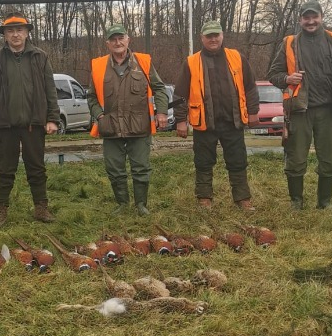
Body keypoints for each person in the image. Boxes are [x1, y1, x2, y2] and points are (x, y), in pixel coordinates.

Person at [268, 0, 332, 209]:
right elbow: (273, 75)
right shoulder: (289, 43)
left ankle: (324, 202)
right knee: (296, 160)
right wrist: (287, 79)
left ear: (321, 17)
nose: (310, 21)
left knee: (329, 160)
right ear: (300, 19)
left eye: (314, 17)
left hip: (328, 111)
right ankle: (296, 202)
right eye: (306, 17)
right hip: (299, 112)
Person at [0, 12, 61, 226]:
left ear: (27, 33)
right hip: (4, 125)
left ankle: (41, 208)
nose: (15, 34)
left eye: (19, 30)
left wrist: (52, 118)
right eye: (10, 31)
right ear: (5, 35)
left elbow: (50, 90)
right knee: (4, 170)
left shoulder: (40, 57)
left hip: (34, 124)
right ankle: (1, 211)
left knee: (37, 168)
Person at [172, 20, 259, 210]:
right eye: (208, 36)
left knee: (238, 161)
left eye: (216, 35)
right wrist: (180, 120)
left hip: (232, 121)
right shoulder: (191, 62)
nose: (213, 39)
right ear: (202, 38)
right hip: (204, 123)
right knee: (203, 162)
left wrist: (253, 112)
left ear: (222, 36)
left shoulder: (237, 57)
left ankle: (242, 199)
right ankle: (204, 199)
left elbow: (250, 87)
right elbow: (179, 95)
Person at [87, 24, 169, 214]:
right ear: (108, 43)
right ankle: (122, 204)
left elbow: (159, 89)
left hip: (139, 126)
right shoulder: (98, 66)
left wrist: (162, 112)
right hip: (110, 127)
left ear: (128, 40)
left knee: (141, 168)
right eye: (113, 39)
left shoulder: (143, 63)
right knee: (114, 169)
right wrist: (99, 115)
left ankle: (141, 205)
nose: (118, 42)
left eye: (121, 38)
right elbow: (91, 97)